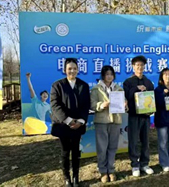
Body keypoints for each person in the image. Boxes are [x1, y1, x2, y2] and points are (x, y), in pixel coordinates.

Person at [50, 58, 90, 187]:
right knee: (65, 152)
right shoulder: (57, 85)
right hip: (63, 124)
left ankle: (76, 177)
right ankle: (67, 178)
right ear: (64, 70)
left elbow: (86, 105)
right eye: (69, 69)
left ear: (78, 70)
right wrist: (68, 120)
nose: (72, 71)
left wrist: (81, 121)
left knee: (76, 151)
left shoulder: (83, 85)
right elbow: (55, 105)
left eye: (74, 68)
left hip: (78, 125)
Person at [90, 65, 125, 183]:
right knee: (102, 147)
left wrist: (125, 105)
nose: (109, 76)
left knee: (113, 147)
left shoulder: (118, 89)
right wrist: (101, 105)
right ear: (103, 76)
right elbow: (92, 104)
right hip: (102, 121)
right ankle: (103, 171)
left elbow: (123, 103)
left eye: (111, 74)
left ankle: (111, 169)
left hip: (115, 121)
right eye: (107, 74)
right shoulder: (96, 89)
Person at [123, 55, 155, 177]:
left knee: (145, 140)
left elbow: (152, 98)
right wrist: (136, 89)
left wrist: (151, 111)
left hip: (145, 116)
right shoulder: (128, 82)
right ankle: (135, 164)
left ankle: (144, 163)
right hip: (133, 115)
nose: (139, 67)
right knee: (133, 140)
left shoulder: (148, 82)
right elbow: (125, 97)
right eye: (137, 65)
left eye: (142, 65)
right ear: (133, 66)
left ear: (144, 66)